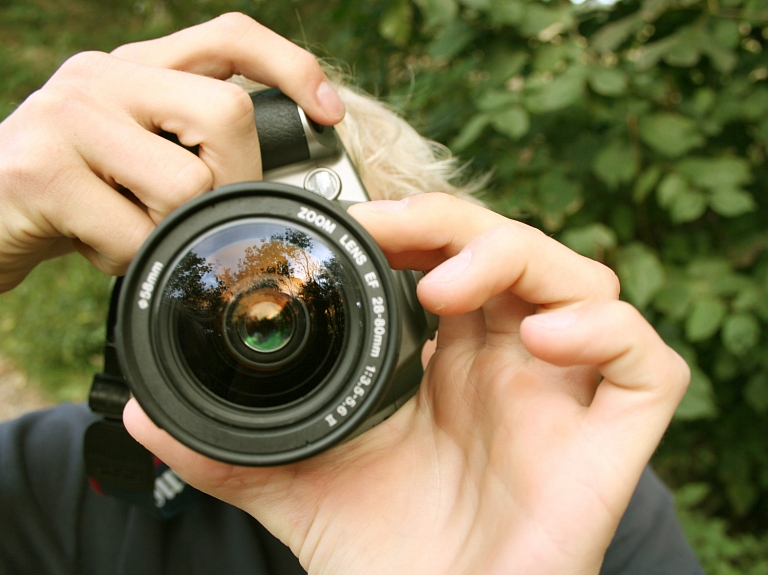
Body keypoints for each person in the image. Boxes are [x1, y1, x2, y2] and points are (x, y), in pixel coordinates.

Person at [0, 13, 701, 575]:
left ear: (433, 302)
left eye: (330, 282)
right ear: (139, 326)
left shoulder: (564, 497)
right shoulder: (65, 481)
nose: (265, 310)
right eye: (208, 285)